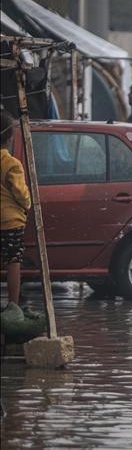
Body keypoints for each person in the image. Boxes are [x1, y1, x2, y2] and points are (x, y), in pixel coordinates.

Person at [0, 110, 31, 309]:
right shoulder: (12, 164)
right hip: (11, 222)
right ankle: (13, 306)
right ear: (10, 138)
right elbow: (21, 194)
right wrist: (28, 204)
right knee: (13, 264)